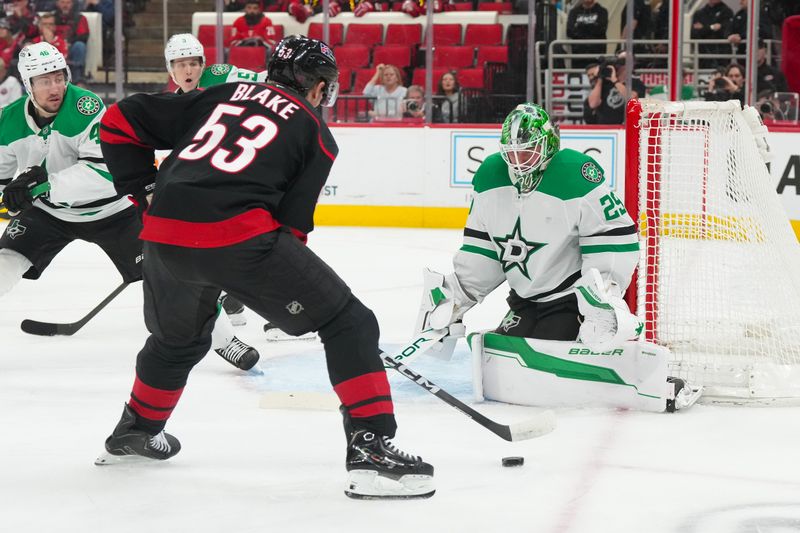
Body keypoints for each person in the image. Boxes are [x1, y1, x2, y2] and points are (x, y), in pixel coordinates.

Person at [94, 34, 434, 500]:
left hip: (162, 236)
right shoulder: (316, 132)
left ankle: (136, 428)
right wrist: (279, 300)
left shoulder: (219, 94)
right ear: (318, 87)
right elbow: (291, 230)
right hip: (239, 241)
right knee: (350, 323)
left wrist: (142, 190)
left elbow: (115, 122)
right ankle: (371, 450)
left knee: (176, 340)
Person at [414, 103, 700, 412]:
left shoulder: (574, 175)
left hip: (569, 300)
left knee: (545, 355)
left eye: (527, 152)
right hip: (523, 299)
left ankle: (648, 378)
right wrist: (456, 299)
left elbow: (614, 236)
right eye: (511, 153)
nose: (518, 161)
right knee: (502, 355)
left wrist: (603, 296)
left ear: (549, 144)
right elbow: (484, 249)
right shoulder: (490, 177)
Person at [165, 32, 310, 344]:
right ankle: (231, 298)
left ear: (203, 63)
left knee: (269, 245)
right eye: (180, 64)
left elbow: (265, 80)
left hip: (261, 173)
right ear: (170, 70)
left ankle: (296, 312)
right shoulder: (176, 105)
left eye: (193, 63)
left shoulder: (221, 75)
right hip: (230, 184)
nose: (188, 70)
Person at [585, 51, 646, 124]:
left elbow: (632, 99)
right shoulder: (605, 82)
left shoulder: (636, 83)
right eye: (619, 59)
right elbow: (593, 104)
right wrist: (600, 77)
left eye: (624, 60)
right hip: (604, 128)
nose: (620, 63)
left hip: (625, 129)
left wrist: (615, 80)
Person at [53, 0, 90, 83]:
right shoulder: (51, 18)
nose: (65, 5)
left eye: (68, 3)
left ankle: (77, 79)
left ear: (72, 4)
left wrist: (68, 43)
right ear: (57, 3)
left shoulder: (80, 18)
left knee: (80, 46)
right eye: (62, 2)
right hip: (55, 48)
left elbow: (83, 36)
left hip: (71, 47)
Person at [566, 0, 608, 69]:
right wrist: (591, 26)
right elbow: (570, 31)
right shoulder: (574, 12)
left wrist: (580, 27)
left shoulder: (602, 11)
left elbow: (601, 30)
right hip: (578, 57)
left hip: (597, 57)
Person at [691, 0, 734, 68]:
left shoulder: (727, 12)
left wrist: (704, 28)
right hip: (703, 55)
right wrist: (712, 27)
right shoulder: (699, 13)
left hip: (721, 55)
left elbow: (725, 31)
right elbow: (694, 33)